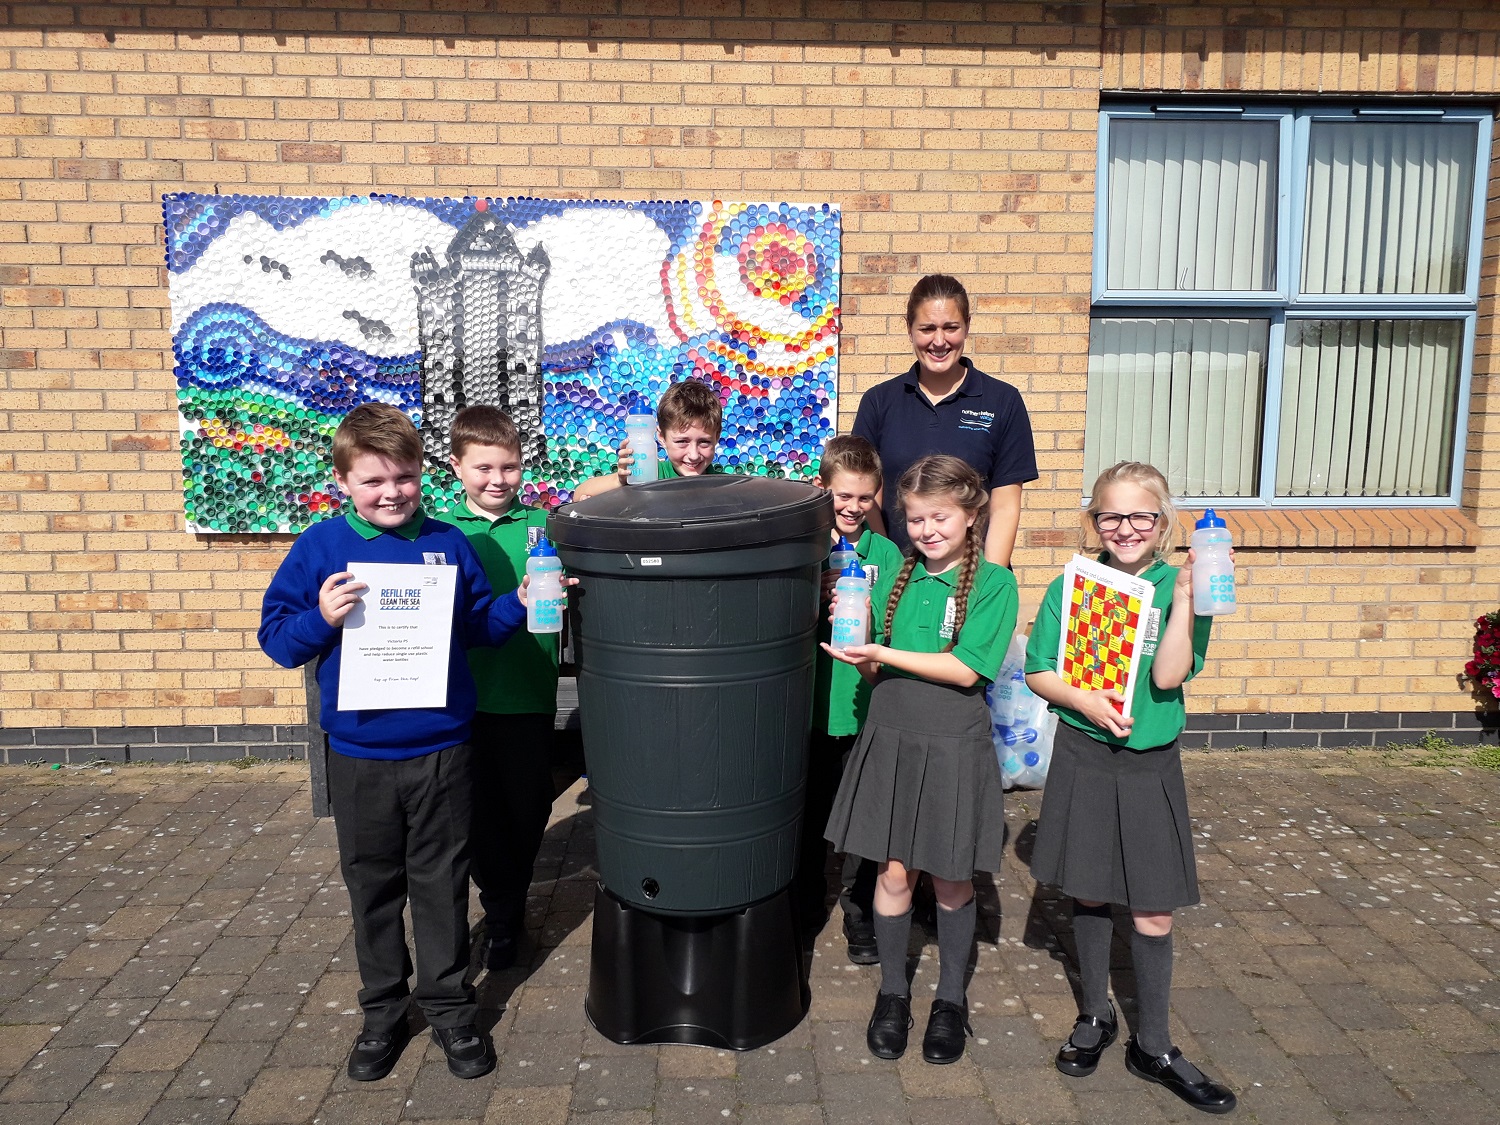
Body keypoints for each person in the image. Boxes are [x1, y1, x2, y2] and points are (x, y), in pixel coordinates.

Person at [259, 403, 533, 1084]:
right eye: (374, 480)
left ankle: (448, 1008)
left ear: (422, 475)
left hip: (443, 748)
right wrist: (320, 618)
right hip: (360, 755)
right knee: (373, 888)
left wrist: (520, 599)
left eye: (404, 478)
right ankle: (383, 1012)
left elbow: (475, 626)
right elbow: (276, 638)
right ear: (344, 481)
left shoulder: (447, 542)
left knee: (441, 884)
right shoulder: (320, 547)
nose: (391, 493)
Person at [1023, 461, 1236, 1115]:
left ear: (1162, 521)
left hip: (1148, 764)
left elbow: (1170, 677)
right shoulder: (1074, 585)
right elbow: (1038, 670)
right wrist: (1085, 700)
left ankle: (1155, 1043)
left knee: (1152, 909)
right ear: (1095, 522)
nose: (1126, 527)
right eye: (1110, 515)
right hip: (1086, 756)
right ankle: (1094, 1015)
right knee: (1089, 891)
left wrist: (1183, 603)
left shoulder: (1183, 583)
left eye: (1140, 515)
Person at [822, 455, 1018, 1066]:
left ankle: (951, 999)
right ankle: (893, 993)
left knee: (954, 879)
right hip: (892, 735)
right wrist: (862, 650)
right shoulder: (890, 577)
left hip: (954, 742)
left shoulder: (993, 582)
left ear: (970, 515)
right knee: (893, 874)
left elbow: (965, 668)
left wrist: (883, 649)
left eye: (940, 517)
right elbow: (880, 669)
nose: (927, 529)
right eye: (914, 519)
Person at [437, 405, 558, 973]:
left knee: (528, 811)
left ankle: (508, 905)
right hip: (463, 701)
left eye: (509, 467)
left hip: (529, 695)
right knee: (477, 819)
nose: (497, 480)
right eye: (483, 467)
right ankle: (503, 913)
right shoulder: (438, 533)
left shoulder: (543, 526)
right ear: (456, 466)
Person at [794, 435, 904, 960]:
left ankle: (861, 913)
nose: (852, 507)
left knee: (864, 821)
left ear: (876, 495)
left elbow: (892, 626)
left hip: (863, 709)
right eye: (842, 495)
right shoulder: (803, 545)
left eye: (864, 497)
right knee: (809, 816)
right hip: (810, 709)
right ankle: (805, 903)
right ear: (823, 489)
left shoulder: (885, 553)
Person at [852, 274, 1037, 566]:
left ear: (967, 327)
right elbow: (867, 497)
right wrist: (888, 570)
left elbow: (1004, 508)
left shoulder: (1003, 401)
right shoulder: (879, 402)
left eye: (951, 328)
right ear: (909, 330)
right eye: (927, 328)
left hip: (970, 578)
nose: (939, 341)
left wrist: (987, 584)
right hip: (898, 577)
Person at [571, 379, 723, 500]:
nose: (694, 455)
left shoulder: (724, 486)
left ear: (717, 437)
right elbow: (579, 494)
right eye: (682, 442)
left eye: (704, 442)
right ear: (661, 437)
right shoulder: (650, 475)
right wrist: (620, 481)